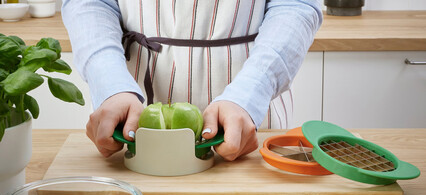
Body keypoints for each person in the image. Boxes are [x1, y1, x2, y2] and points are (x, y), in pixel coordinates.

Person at [62, 0, 322, 161]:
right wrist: (111, 85)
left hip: (249, 109)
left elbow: (295, 5)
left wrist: (249, 94)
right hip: (129, 106)